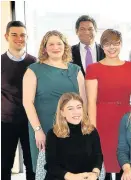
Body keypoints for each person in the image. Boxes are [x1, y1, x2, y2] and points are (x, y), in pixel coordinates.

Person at [23, 30, 85, 173]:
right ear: (44, 48)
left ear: (65, 46)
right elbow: (27, 102)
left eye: (59, 43)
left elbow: (84, 103)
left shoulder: (76, 70)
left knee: (72, 169)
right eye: (50, 44)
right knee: (46, 170)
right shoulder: (33, 70)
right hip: (43, 128)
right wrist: (38, 130)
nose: (55, 47)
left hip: (72, 128)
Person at [86, 29, 131, 180]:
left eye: (115, 43)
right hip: (103, 119)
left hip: (126, 118)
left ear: (121, 44)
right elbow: (91, 101)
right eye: (107, 44)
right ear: (102, 46)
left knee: (126, 158)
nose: (111, 48)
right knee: (104, 160)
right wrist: (92, 128)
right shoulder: (93, 68)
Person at [1, 20, 35, 180]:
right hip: (5, 122)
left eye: (22, 35)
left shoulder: (34, 63)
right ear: (6, 36)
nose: (19, 38)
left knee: (32, 164)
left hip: (30, 122)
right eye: (14, 34)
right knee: (4, 164)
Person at [45, 92, 103, 180]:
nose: (76, 112)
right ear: (62, 113)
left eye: (79, 107)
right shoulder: (53, 134)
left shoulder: (91, 130)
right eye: (70, 109)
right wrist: (74, 177)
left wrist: (95, 173)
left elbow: (98, 156)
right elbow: (52, 165)